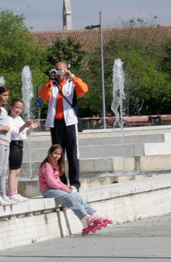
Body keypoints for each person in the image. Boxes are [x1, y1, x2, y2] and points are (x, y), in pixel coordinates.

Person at [39, 145, 112, 235]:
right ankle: (85, 219)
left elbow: (57, 181)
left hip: (54, 188)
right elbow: (50, 181)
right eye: (55, 153)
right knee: (68, 197)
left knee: (75, 195)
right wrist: (63, 188)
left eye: (59, 154)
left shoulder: (55, 164)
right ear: (50, 153)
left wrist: (66, 186)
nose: (57, 156)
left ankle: (92, 215)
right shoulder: (47, 165)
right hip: (48, 190)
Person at [38, 61, 89, 191]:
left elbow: (83, 90)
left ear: (66, 71)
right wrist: (50, 80)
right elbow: (44, 96)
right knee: (57, 155)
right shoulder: (51, 85)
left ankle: (75, 183)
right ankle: (60, 182)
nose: (59, 73)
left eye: (62, 70)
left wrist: (71, 76)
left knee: (73, 154)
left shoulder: (72, 83)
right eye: (57, 70)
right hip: (55, 123)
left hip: (69, 122)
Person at [7, 98, 40, 202]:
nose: (18, 110)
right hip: (13, 144)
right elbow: (14, 132)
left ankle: (15, 191)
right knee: (13, 170)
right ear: (10, 107)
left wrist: (32, 127)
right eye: (16, 107)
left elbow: (25, 133)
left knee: (17, 170)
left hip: (20, 144)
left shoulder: (19, 119)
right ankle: (11, 193)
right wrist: (25, 125)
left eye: (20, 108)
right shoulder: (8, 119)